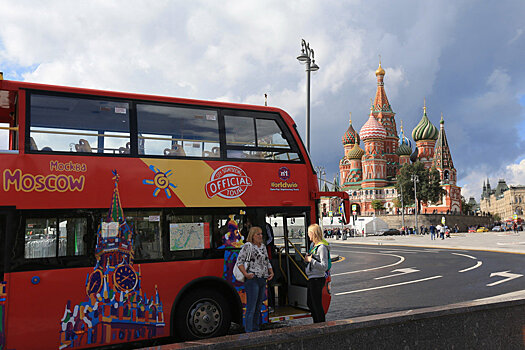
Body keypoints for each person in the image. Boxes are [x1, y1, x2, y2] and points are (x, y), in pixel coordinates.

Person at [236, 226, 274, 333]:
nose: (261, 236)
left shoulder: (263, 246)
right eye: (258, 234)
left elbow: (267, 262)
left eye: (261, 234)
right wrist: (246, 274)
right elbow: (239, 261)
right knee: (251, 307)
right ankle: (249, 331)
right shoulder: (248, 246)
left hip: (262, 279)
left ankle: (256, 330)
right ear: (252, 236)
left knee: (258, 307)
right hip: (253, 280)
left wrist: (271, 272)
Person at [304, 224, 330, 323]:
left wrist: (311, 261)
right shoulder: (312, 245)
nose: (308, 235)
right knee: (310, 303)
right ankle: (317, 323)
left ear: (313, 234)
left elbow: (324, 266)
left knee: (316, 304)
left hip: (317, 278)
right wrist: (307, 259)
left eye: (309, 233)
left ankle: (321, 324)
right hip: (311, 277)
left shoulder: (322, 247)